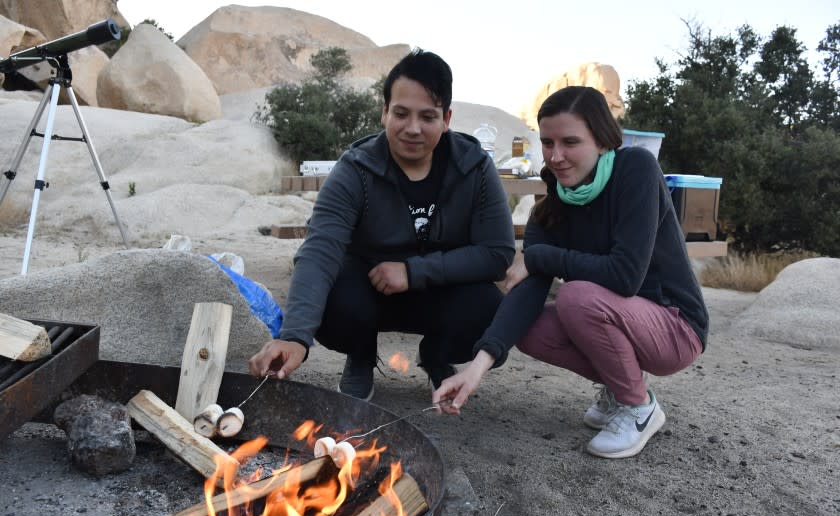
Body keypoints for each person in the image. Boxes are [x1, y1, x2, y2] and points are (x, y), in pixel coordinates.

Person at [432, 86, 708, 459]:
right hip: (624, 320)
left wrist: (543, 257)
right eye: (547, 142)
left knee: (576, 297)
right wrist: (476, 368)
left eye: (570, 142)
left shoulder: (635, 170)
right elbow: (526, 291)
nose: (556, 156)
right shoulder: (552, 206)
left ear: (602, 139)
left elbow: (625, 275)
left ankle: (639, 408)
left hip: (675, 326)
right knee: (527, 326)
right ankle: (620, 384)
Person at [248, 49, 515, 401]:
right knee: (333, 293)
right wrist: (295, 336)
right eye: (401, 113)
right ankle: (360, 353)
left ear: (447, 118)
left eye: (428, 116)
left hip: (442, 291)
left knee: (489, 309)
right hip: (369, 292)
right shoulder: (355, 168)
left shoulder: (475, 167)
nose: (413, 128)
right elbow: (319, 249)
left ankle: (436, 356)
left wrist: (414, 271)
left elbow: (497, 253)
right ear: (385, 112)